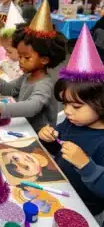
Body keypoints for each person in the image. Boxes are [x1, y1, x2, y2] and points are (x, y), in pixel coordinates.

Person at [38, 25, 104, 221]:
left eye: (75, 106)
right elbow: (56, 147)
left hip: (84, 209)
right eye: (65, 103)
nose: (66, 111)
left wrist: (86, 165)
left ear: (100, 104)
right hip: (59, 191)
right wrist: (48, 138)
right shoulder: (71, 122)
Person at [0, 0, 67, 132]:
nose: (21, 61)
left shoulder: (44, 85)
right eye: (20, 56)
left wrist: (0, 108)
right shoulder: (27, 76)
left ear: (44, 60)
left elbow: (32, 106)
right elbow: (10, 89)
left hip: (39, 139)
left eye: (26, 58)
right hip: (22, 128)